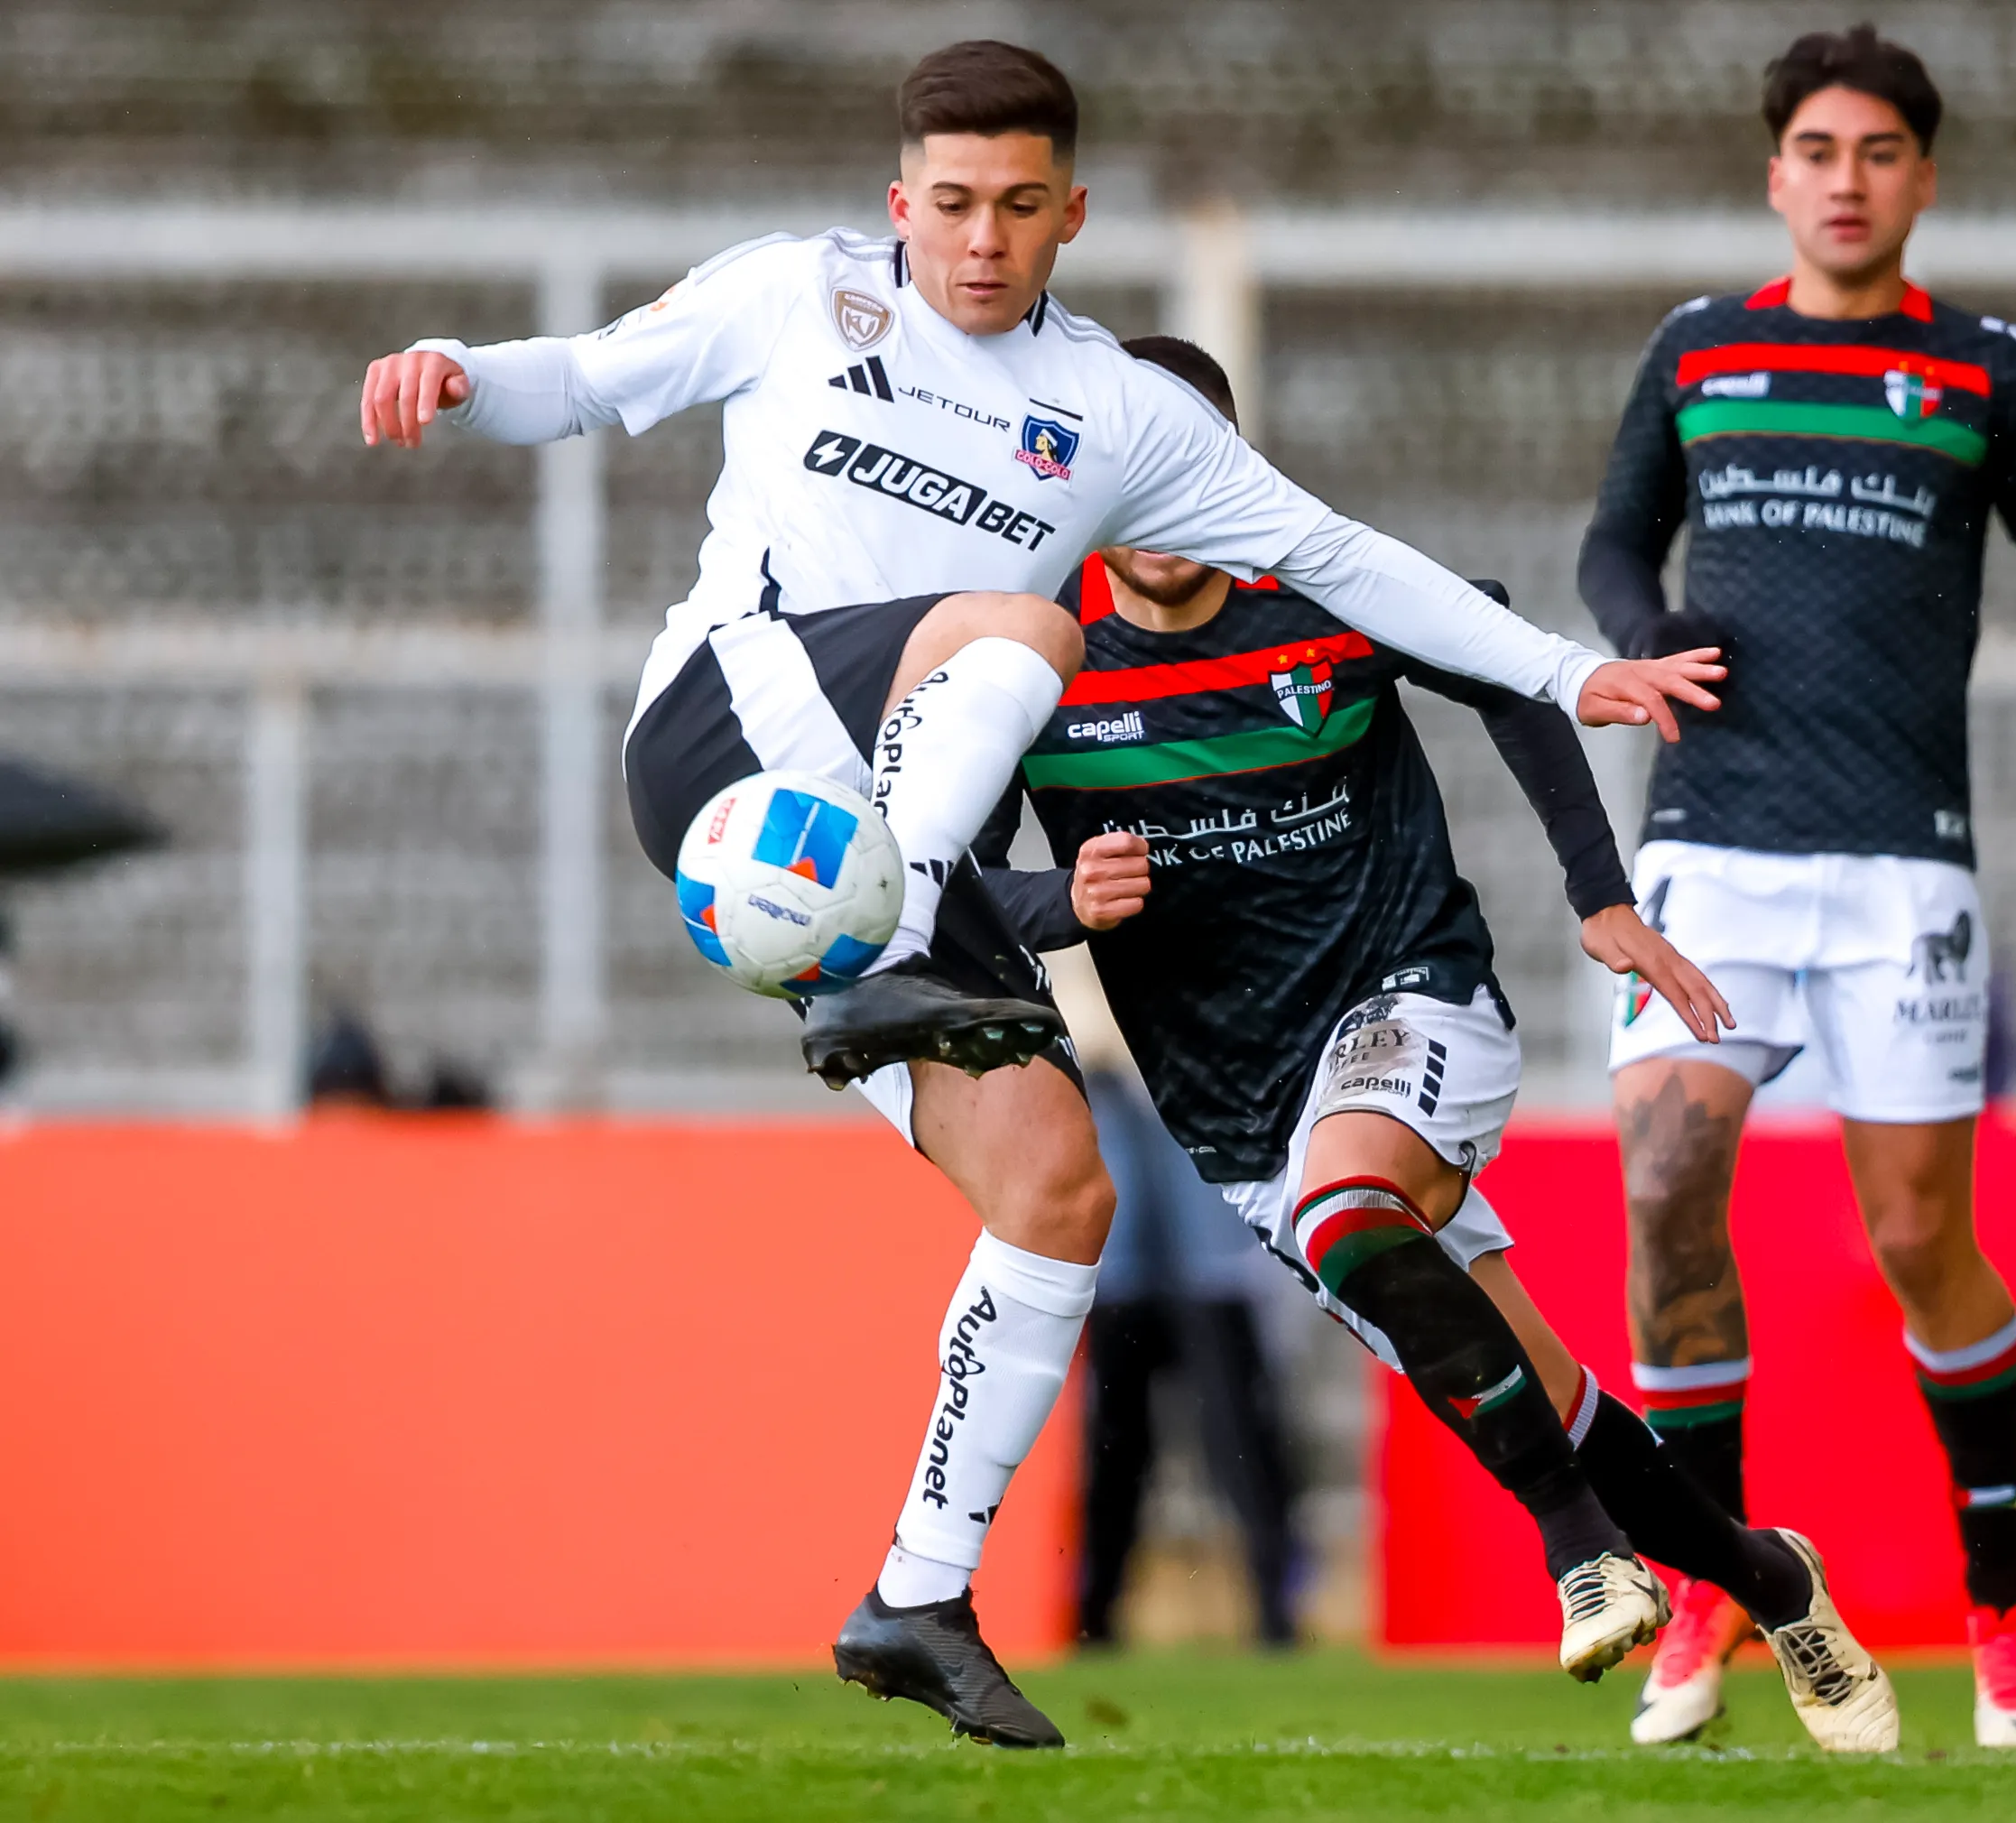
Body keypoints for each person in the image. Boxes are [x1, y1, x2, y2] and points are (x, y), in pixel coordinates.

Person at [355, 40, 1722, 1750]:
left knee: (1059, 1192)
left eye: (1017, 207)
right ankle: (906, 940)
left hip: (850, 884)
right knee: (1028, 632)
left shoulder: (1122, 418)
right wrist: (452, 369)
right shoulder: (801, 299)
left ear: (1070, 212)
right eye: (947, 206)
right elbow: (592, 375)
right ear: (896, 203)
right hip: (731, 746)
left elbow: (1338, 555)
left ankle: (916, 1595)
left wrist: (1559, 667)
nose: (979, 242)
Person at [980, 334, 1903, 1752]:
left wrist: (1601, 895)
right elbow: (945, 878)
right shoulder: (1028, 651)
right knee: (1541, 1384)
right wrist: (1057, 898)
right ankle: (1773, 1580)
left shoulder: (1327, 586)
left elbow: (1512, 670)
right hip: (1229, 1107)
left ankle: (1577, 1551)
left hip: (1411, 996)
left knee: (1352, 1202)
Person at [1578, 26, 2016, 1749]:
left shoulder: (1986, 369)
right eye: (1817, 151)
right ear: (1778, 174)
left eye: (1879, 152)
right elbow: (1617, 540)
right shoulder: (1701, 350)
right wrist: (1636, 633)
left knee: (1918, 1237)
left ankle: (1999, 1586)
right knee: (1666, 1184)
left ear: (1922, 175)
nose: (1847, 179)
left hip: (1904, 863)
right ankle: (1718, 1583)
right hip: (1713, 850)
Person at [1075, 1051, 1301, 1650]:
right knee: (1117, 1441)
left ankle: (1276, 1608)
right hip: (1140, 1250)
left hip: (1203, 1253)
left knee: (1235, 1434)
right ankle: (1094, 1611)